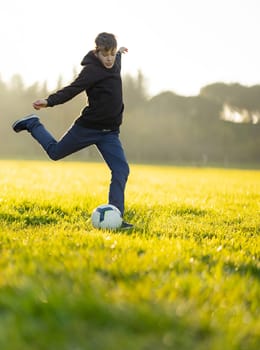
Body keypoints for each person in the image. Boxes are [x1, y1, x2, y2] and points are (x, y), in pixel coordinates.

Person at [12, 32, 133, 229]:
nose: (109, 58)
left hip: (110, 133)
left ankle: (115, 218)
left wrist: (119, 52)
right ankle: (33, 124)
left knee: (121, 170)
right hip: (87, 128)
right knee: (55, 153)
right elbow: (72, 89)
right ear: (97, 53)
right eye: (105, 54)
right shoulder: (91, 71)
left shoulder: (115, 61)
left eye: (112, 53)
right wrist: (49, 101)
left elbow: (116, 56)